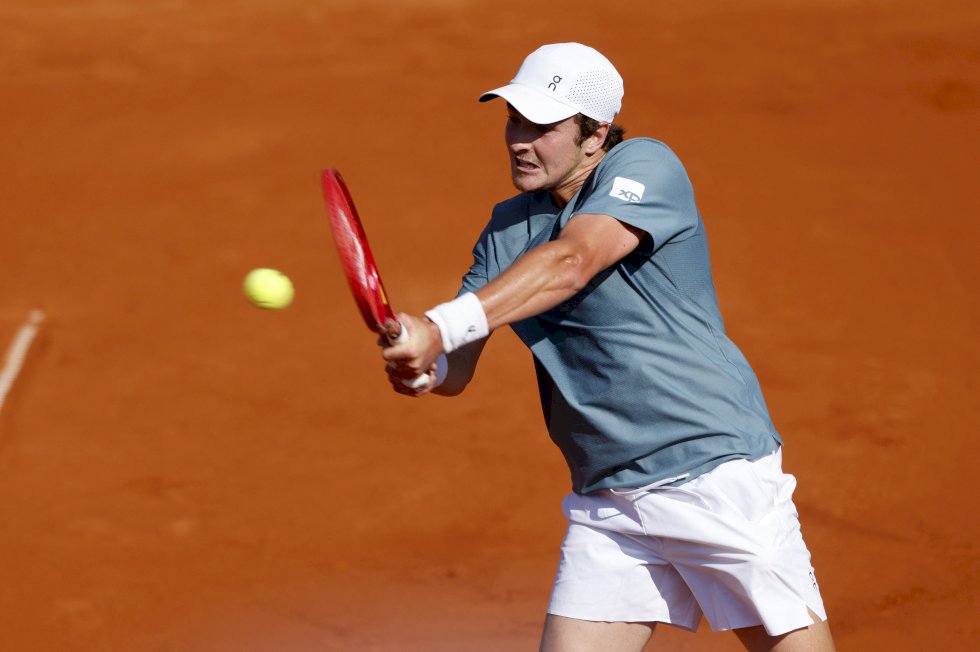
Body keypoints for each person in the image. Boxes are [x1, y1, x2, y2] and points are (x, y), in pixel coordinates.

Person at [381, 42, 836, 652]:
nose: (520, 141)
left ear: (595, 134)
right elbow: (456, 364)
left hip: (711, 475)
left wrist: (438, 326)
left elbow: (572, 262)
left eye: (543, 126)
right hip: (609, 503)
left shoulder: (645, 166)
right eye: (515, 121)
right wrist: (421, 363)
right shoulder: (506, 228)